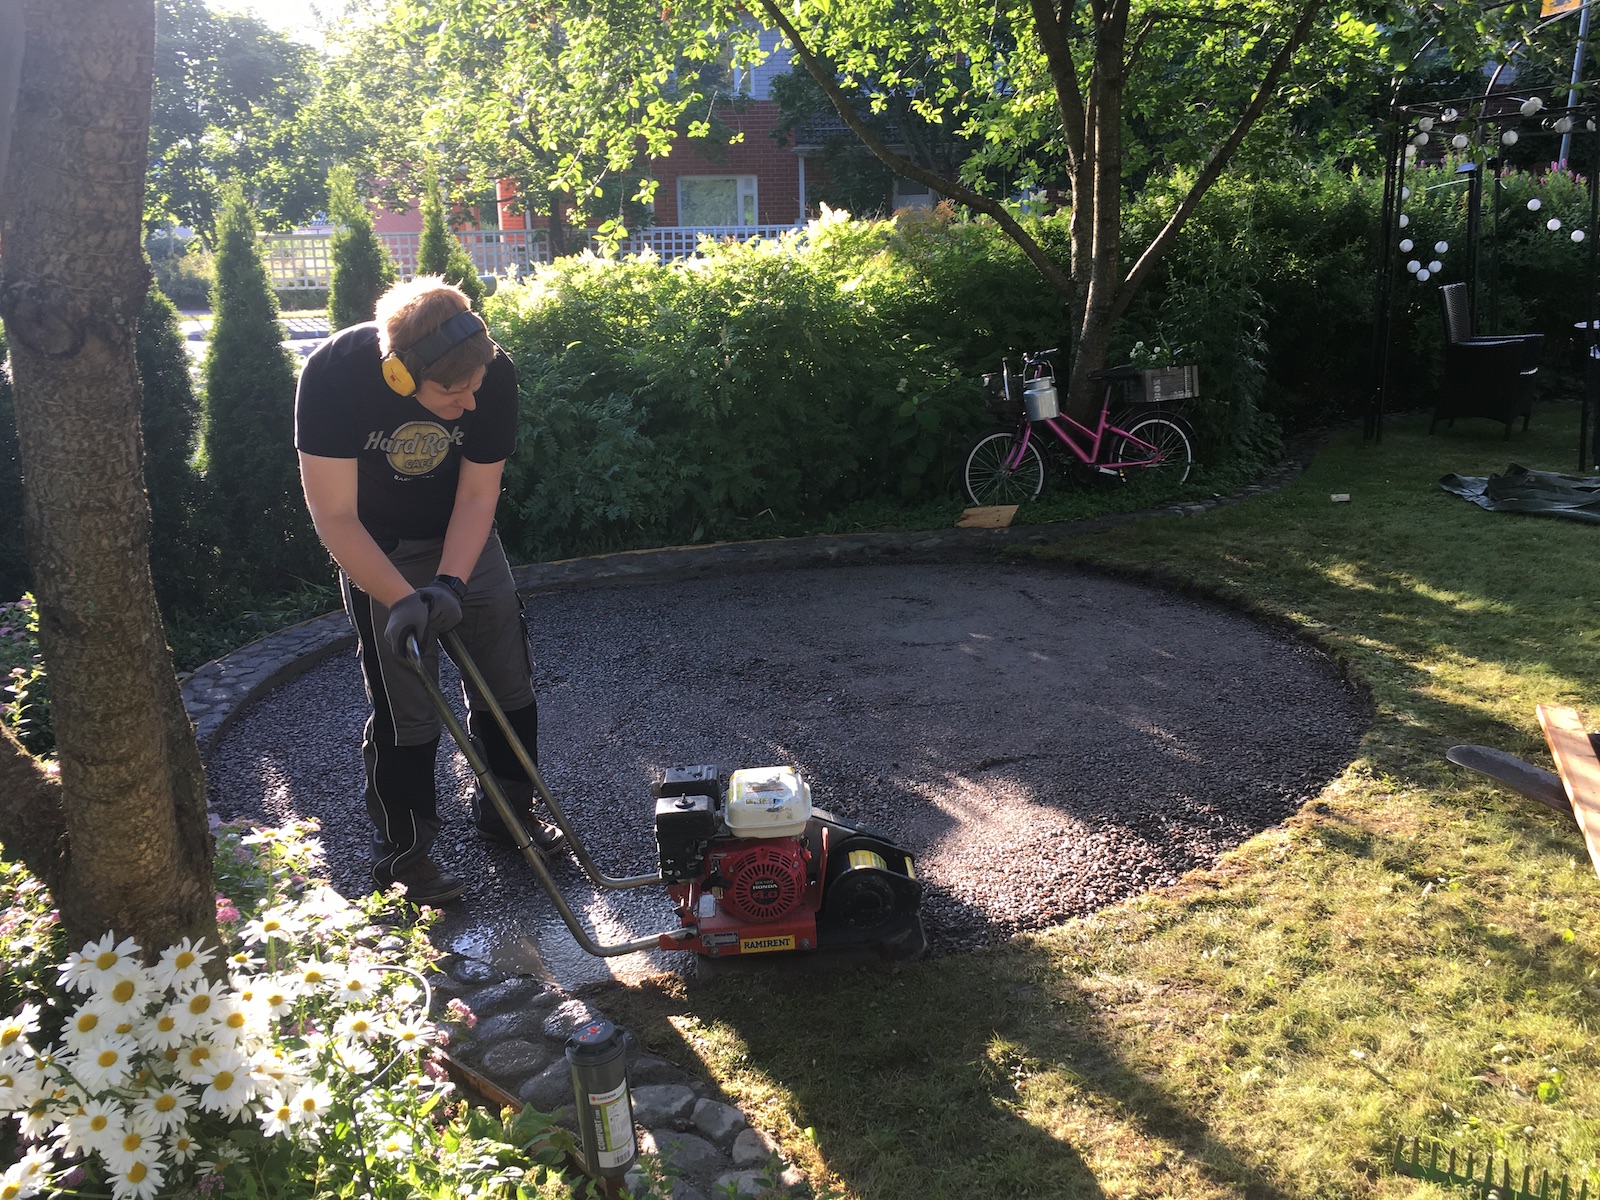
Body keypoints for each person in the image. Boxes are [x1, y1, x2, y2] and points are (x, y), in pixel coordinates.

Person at [294, 275, 560, 904]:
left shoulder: (488, 372)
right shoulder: (332, 375)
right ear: (399, 375)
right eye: (452, 390)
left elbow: (477, 494)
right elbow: (334, 517)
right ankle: (406, 855)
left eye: (477, 386)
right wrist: (401, 596)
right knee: (405, 706)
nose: (470, 403)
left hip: (462, 539)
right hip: (375, 548)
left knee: (507, 680)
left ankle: (508, 810)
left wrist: (449, 582)